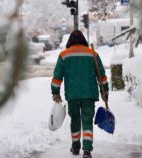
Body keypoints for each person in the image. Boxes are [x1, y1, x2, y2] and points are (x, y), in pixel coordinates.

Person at [51, 30, 109, 158]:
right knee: (87, 121)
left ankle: (76, 146)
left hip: (73, 95)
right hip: (89, 94)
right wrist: (105, 91)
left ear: (70, 40)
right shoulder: (92, 54)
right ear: (83, 40)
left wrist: (55, 92)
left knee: (75, 120)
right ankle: (87, 150)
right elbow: (102, 76)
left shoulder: (64, 55)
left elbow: (57, 77)